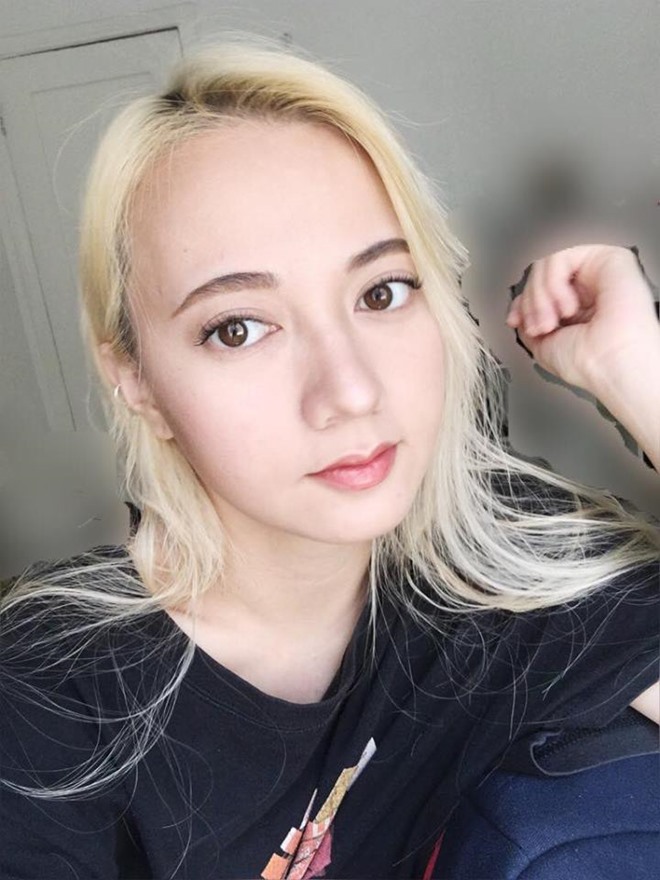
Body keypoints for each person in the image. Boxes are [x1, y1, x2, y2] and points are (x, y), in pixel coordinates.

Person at [1, 38, 658, 880]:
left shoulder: (500, 579)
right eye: (238, 328)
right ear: (136, 380)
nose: (349, 390)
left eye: (382, 292)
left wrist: (638, 375)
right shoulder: (50, 692)